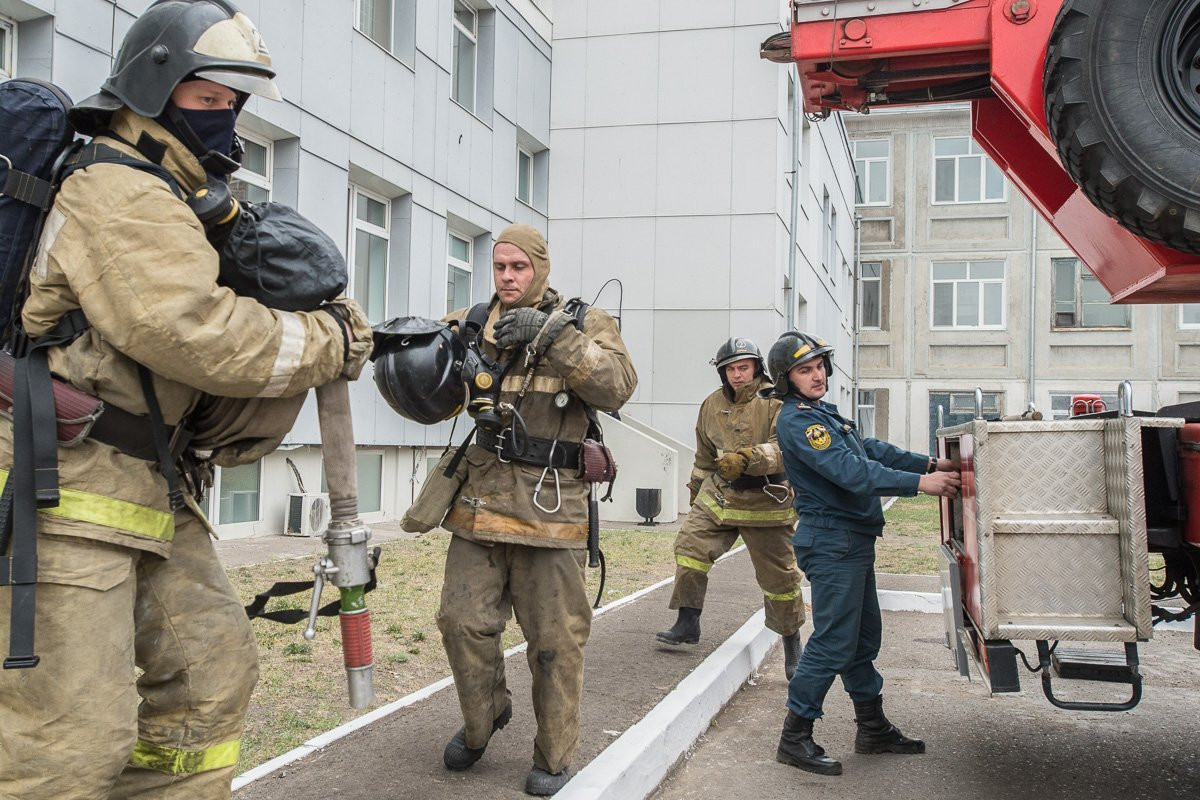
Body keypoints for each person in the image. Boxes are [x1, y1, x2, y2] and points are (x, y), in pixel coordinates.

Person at [0, 2, 372, 798]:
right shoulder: (116, 186)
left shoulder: (176, 193)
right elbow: (193, 332)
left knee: (209, 686)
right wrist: (328, 342)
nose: (226, 116)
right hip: (61, 489)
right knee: (66, 742)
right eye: (209, 98)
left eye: (234, 102)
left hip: (149, 487)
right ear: (155, 85)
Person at [436, 224, 637, 796]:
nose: (507, 278)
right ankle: (483, 720)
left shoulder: (583, 321)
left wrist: (553, 336)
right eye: (500, 267)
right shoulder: (475, 321)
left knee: (554, 643)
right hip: (480, 501)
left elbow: (618, 386)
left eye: (519, 267)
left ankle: (554, 753)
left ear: (540, 269)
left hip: (552, 508)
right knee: (461, 624)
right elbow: (429, 394)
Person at [765, 331, 959, 777]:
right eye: (804, 370)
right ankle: (794, 737)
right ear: (786, 379)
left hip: (851, 538)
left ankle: (872, 728)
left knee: (861, 639)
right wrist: (919, 485)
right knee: (833, 640)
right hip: (833, 541)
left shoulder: (823, 414)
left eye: (819, 366)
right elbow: (849, 470)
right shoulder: (798, 421)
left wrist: (927, 464)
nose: (817, 376)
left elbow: (869, 449)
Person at [656, 338, 805, 679]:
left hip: (767, 500)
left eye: (743, 367)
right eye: (730, 369)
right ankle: (687, 622)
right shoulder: (711, 405)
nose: (737, 375)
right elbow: (704, 456)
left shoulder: (776, 402)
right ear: (722, 371)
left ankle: (792, 644)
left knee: (779, 578)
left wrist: (750, 458)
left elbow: (787, 448)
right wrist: (695, 492)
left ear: (756, 367)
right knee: (690, 548)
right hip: (719, 496)